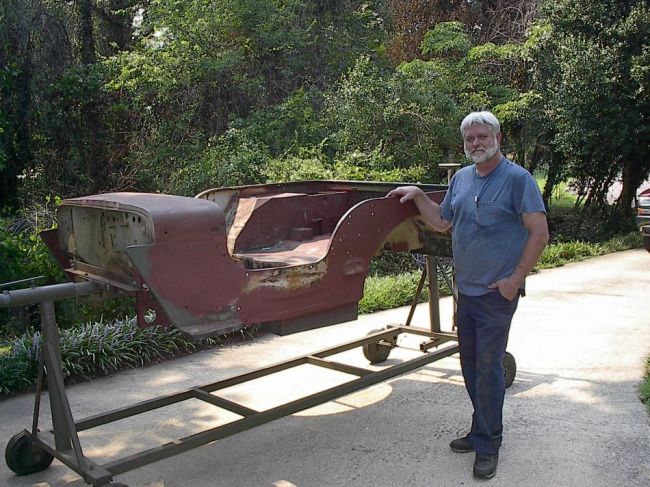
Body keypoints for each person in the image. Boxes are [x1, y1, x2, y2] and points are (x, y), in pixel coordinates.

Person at [387, 111, 549, 479]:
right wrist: (415, 196)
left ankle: (488, 445)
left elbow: (539, 234)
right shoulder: (461, 178)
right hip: (467, 292)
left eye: (482, 136)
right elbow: (443, 221)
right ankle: (482, 431)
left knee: (489, 371)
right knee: (471, 367)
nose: (476, 143)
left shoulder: (518, 180)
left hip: (498, 294)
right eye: (469, 139)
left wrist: (513, 280)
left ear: (497, 138)